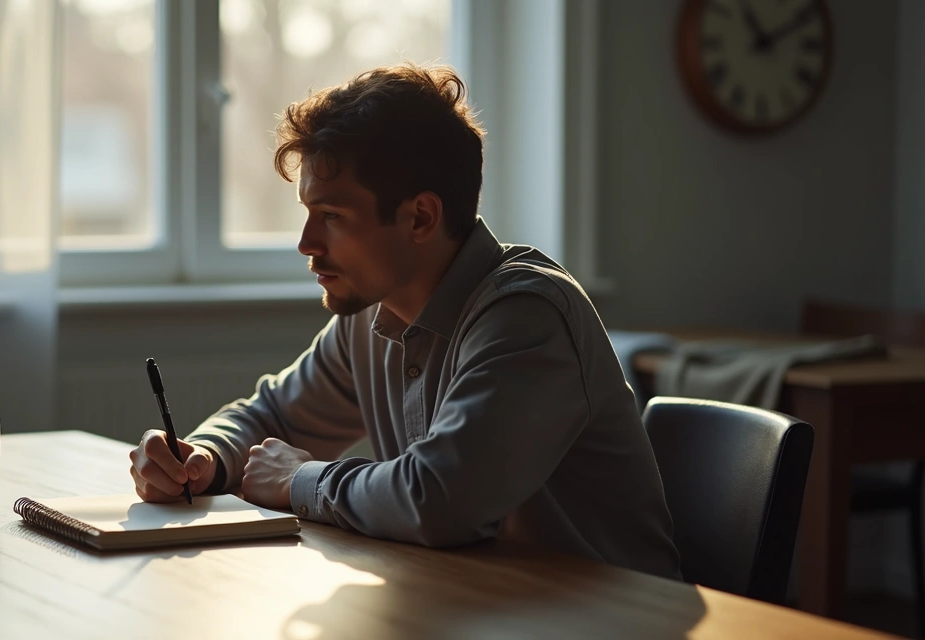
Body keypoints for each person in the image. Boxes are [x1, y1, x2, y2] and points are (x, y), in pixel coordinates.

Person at [129, 63, 681, 580]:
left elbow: (440, 500)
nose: (306, 245)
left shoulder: (527, 316)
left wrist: (299, 480)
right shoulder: (372, 313)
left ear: (420, 216)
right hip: (479, 607)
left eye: (332, 217)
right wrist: (202, 458)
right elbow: (273, 414)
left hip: (611, 619)